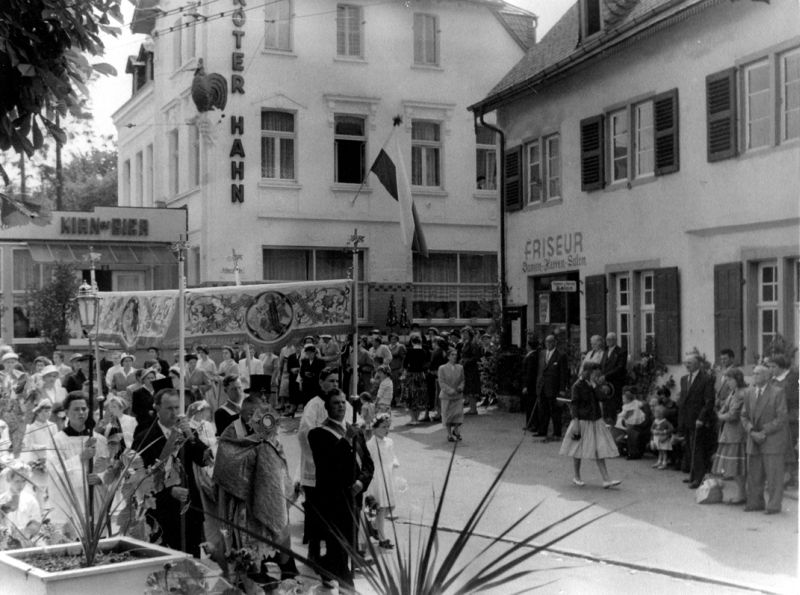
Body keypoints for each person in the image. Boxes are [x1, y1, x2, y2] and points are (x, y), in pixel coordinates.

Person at [214, 396, 298, 587]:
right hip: (243, 498)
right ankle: (251, 573)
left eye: (257, 413)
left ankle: (285, 569)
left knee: (277, 531)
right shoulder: (232, 431)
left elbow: (276, 455)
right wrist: (255, 452)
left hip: (268, 493)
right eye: (250, 413)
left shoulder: (267, 427)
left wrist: (266, 449)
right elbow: (226, 463)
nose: (254, 417)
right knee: (247, 540)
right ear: (242, 413)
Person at [132, 388, 213, 556]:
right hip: (162, 512)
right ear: (157, 408)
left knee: (191, 559)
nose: (174, 413)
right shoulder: (144, 438)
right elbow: (139, 479)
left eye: (177, 408)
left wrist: (191, 436)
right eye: (169, 408)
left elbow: (205, 460)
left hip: (189, 509)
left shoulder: (186, 433)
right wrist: (168, 491)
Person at [308, 390, 374, 590]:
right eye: (336, 403)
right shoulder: (318, 434)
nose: (341, 406)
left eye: (343, 402)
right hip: (333, 499)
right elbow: (327, 465)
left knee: (349, 543)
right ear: (327, 407)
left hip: (354, 496)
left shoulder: (355, 431)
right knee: (338, 545)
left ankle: (325, 568)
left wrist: (361, 482)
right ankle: (348, 587)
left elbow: (368, 463)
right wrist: (346, 440)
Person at [297, 369, 354, 564]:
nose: (335, 384)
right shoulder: (314, 405)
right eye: (330, 381)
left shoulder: (343, 401)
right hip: (316, 467)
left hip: (340, 469)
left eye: (337, 380)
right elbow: (305, 433)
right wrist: (320, 457)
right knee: (316, 513)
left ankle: (342, 555)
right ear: (321, 383)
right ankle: (313, 552)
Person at [46, 391, 109, 538]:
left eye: (84, 409)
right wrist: (80, 458)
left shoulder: (99, 439)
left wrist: (100, 478)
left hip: (95, 501)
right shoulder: (57, 441)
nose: (81, 412)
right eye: (76, 409)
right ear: (66, 412)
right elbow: (54, 470)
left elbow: (109, 467)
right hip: (71, 501)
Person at [559, 363, 621, 488]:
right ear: (588, 372)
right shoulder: (577, 386)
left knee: (599, 449)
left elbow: (602, 398)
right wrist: (576, 422)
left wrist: (595, 386)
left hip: (595, 420)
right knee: (577, 449)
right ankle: (577, 476)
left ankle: (606, 479)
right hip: (582, 421)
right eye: (595, 374)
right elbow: (574, 405)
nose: (596, 376)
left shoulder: (594, 385)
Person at [741, 365, 788, 514]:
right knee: (754, 474)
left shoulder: (777, 392)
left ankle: (774, 505)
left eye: (758, 373)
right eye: (753, 373)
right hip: (754, 438)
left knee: (774, 475)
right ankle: (755, 502)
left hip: (772, 438)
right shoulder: (749, 392)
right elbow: (744, 416)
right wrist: (751, 431)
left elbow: (781, 418)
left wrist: (763, 431)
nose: (754, 376)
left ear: (767, 376)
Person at [676, 354, 717, 489]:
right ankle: (693, 475)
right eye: (686, 363)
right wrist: (681, 420)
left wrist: (701, 418)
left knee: (698, 449)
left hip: (698, 419)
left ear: (698, 364)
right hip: (686, 418)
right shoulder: (684, 379)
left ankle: (699, 478)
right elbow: (683, 400)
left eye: (690, 363)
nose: (687, 365)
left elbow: (709, 401)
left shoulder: (706, 379)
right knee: (689, 448)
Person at [710, 368, 747, 504]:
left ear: (738, 379)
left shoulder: (741, 394)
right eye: (726, 380)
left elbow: (733, 415)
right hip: (729, 433)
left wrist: (720, 416)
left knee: (736, 466)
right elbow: (725, 407)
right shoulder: (733, 392)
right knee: (732, 466)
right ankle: (741, 493)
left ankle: (742, 494)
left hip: (737, 433)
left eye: (730, 380)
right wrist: (721, 412)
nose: (728, 383)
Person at [364, 413, 399, 550]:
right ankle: (382, 538)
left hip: (388, 475)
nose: (387, 430)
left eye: (388, 427)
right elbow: (368, 463)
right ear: (375, 428)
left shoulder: (390, 442)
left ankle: (374, 526)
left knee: (391, 506)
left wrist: (395, 462)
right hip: (377, 477)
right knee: (381, 507)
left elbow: (392, 455)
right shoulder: (370, 444)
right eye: (383, 427)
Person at [766, 353, 799, 488]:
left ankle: (789, 477)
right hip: (775, 418)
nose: (770, 369)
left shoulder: (791, 379)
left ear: (781, 367)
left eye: (773, 366)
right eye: (769, 367)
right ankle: (781, 477)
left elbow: (791, 399)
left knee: (788, 447)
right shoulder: (773, 380)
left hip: (789, 418)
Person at [21, 398, 57, 507]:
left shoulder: (53, 426)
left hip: (50, 461)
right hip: (37, 462)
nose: (48, 414)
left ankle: (50, 511)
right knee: (39, 489)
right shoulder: (31, 428)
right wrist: (44, 447)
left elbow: (56, 442)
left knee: (51, 489)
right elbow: (28, 445)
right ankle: (40, 511)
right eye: (45, 411)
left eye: (49, 411)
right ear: (38, 412)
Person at [534, 335, 568, 439]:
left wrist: (562, 389)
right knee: (543, 410)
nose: (548, 344)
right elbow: (540, 370)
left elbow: (563, 373)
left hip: (554, 387)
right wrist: (538, 384)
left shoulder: (561, 355)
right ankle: (542, 430)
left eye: (550, 342)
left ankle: (557, 432)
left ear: (555, 343)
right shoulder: (542, 353)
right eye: (546, 342)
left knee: (555, 411)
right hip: (543, 386)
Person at [0, 461, 41, 546]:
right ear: (9, 480)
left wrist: (27, 533)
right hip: (5, 543)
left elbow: (36, 521)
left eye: (23, 481)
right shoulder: (2, 500)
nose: (21, 485)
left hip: (26, 542)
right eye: (17, 481)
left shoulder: (30, 500)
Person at [438, 347, 465, 442]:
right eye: (452, 355)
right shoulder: (442, 368)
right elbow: (441, 382)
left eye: (456, 355)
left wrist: (460, 387)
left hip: (457, 395)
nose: (454, 356)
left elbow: (462, 380)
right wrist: (450, 390)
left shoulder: (460, 367)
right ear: (448, 357)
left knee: (458, 415)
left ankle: (456, 430)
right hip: (447, 396)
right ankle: (449, 434)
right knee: (448, 416)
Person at [402, 334, 429, 423]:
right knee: (420, 396)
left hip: (411, 375)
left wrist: (404, 374)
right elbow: (426, 364)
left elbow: (405, 364)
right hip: (421, 375)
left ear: (412, 342)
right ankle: (416, 418)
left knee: (410, 395)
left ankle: (413, 419)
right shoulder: (424, 351)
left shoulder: (409, 351)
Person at [602, 332, 628, 420]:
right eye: (607, 339)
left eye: (610, 339)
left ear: (615, 340)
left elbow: (620, 367)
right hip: (605, 382)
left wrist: (606, 376)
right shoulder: (605, 351)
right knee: (606, 404)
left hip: (616, 382)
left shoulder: (621, 351)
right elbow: (603, 365)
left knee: (615, 404)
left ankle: (615, 421)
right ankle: (607, 421)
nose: (608, 341)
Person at [458, 326, 483, 416]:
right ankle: (472, 408)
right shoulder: (465, 343)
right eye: (463, 333)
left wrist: (466, 361)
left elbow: (476, 357)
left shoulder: (473, 343)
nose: (464, 335)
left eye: (466, 333)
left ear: (470, 334)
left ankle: (473, 409)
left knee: (472, 389)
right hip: (466, 369)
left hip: (471, 369)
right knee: (468, 388)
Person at [521, 336, 539, 431]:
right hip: (530, 383)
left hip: (530, 385)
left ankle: (533, 424)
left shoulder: (532, 357)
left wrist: (526, 386)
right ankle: (529, 423)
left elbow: (530, 373)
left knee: (531, 404)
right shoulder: (531, 355)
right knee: (529, 404)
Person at [650, 405, 674, 470]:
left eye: (656, 412)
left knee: (664, 451)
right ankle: (659, 461)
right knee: (660, 450)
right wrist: (654, 431)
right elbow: (651, 428)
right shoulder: (655, 421)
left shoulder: (665, 422)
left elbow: (671, 429)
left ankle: (664, 462)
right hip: (657, 437)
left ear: (660, 414)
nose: (654, 414)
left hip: (663, 438)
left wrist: (664, 432)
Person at [387, 333, 406, 406]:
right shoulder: (388, 347)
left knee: (396, 385)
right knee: (389, 385)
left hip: (397, 368)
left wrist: (402, 368)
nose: (393, 340)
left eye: (395, 339)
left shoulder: (400, 347)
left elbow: (404, 358)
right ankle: (391, 400)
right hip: (389, 369)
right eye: (392, 339)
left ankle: (396, 400)